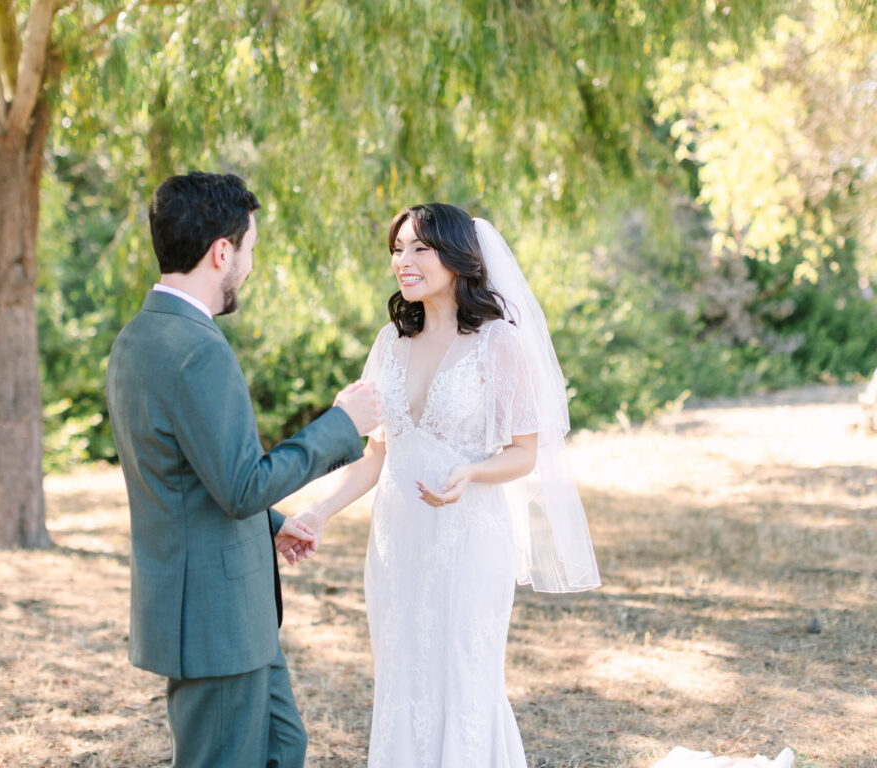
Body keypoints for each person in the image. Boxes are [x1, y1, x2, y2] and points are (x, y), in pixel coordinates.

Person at [292, 203, 600, 766]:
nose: (402, 262)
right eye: (396, 249)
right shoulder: (389, 342)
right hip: (396, 542)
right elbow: (374, 456)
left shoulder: (498, 343)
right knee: (403, 675)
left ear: (457, 258)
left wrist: (471, 472)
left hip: (470, 536)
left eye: (418, 248)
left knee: (464, 676)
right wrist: (319, 512)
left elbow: (524, 454)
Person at [105, 171, 382, 768]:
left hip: (228, 610)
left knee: (283, 747)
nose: (251, 266)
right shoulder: (197, 349)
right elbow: (239, 485)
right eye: (251, 249)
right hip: (214, 619)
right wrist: (342, 422)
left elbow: (187, 477)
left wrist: (271, 522)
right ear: (221, 252)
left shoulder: (139, 337)